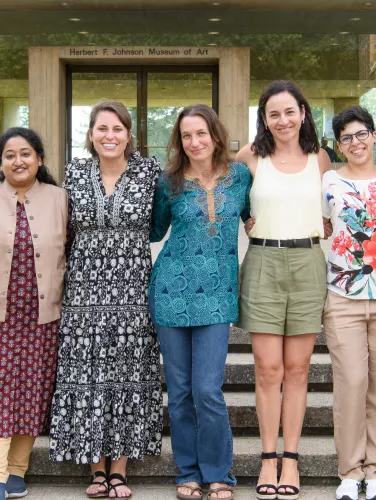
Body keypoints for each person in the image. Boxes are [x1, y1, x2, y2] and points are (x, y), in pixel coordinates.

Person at [48, 101, 163, 499]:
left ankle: (120, 469)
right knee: (88, 374)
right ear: (91, 134)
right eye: (102, 128)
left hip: (133, 288)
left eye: (117, 128)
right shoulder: (75, 172)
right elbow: (60, 226)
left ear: (129, 135)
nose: (109, 135)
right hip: (83, 290)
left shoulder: (149, 172)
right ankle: (96, 467)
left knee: (129, 373)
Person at [235, 80, 332, 500]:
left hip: (309, 262)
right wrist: (244, 219)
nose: (283, 120)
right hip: (263, 263)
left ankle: (290, 459)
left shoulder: (321, 159)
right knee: (267, 368)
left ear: (304, 113)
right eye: (274, 113)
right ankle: (267, 458)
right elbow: (223, 200)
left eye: (290, 111)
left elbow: (344, 207)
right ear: (264, 119)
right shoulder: (251, 158)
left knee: (297, 369)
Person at [149, 104, 250, 500]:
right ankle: (188, 472)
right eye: (186, 136)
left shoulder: (240, 176)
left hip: (217, 298)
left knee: (207, 389)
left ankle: (218, 473)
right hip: (171, 293)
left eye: (201, 134)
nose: (194, 142)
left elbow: (256, 215)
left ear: (216, 137)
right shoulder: (169, 182)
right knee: (179, 390)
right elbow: (156, 231)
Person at [0, 128, 68, 500]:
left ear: (39, 159)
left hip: (43, 315)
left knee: (32, 390)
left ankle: (17, 470)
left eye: (26, 154)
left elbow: (70, 246)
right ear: (1, 162)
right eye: (10, 155)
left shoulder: (61, 200)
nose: (18, 161)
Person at [322, 106, 376, 500]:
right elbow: (322, 224)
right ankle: (349, 470)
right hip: (343, 297)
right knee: (351, 384)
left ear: (374, 136)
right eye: (346, 138)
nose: (355, 143)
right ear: (338, 145)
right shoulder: (329, 181)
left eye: (362, 134)